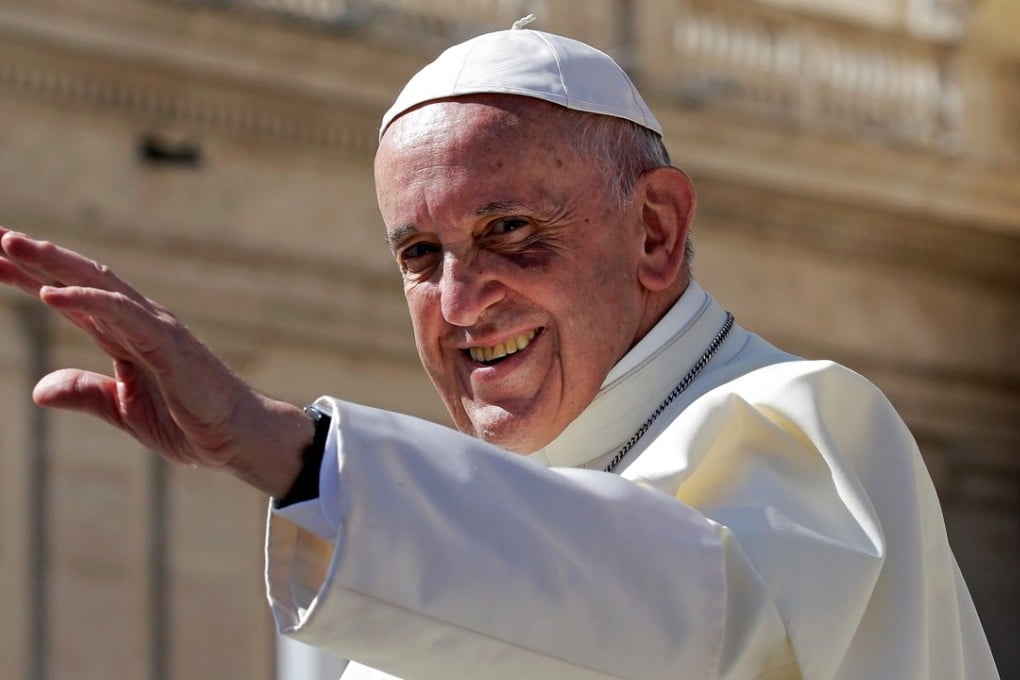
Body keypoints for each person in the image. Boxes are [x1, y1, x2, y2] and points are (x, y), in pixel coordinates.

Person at [0, 21, 1000, 680]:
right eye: (420, 254)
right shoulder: (440, 541)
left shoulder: (808, 426)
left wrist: (288, 451)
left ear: (654, 231)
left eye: (513, 231)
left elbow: (671, 614)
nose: (461, 302)